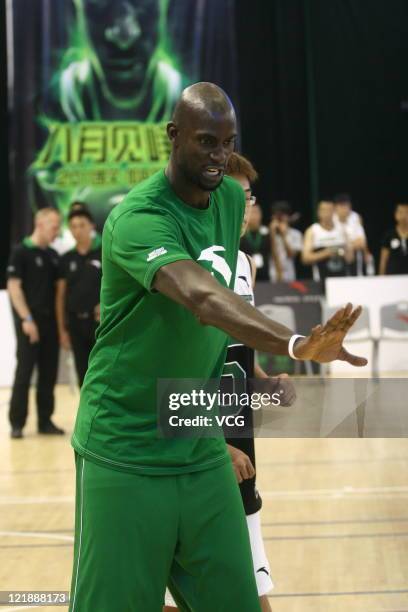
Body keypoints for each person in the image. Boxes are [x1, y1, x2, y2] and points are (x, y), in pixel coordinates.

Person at [68, 82, 367, 612]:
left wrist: (248, 389)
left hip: (199, 444)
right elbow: (202, 298)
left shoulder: (229, 200)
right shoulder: (137, 219)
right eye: (207, 142)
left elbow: (216, 320)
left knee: (238, 602)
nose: (219, 156)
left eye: (227, 143)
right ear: (173, 135)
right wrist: (296, 343)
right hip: (126, 444)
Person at [6, 208, 64, 439]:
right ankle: (17, 423)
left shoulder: (52, 256)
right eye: (54, 226)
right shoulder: (20, 252)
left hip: (50, 323)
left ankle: (45, 420)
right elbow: (14, 287)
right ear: (40, 224)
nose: (57, 231)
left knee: (48, 373)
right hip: (29, 323)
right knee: (24, 372)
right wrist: (26, 318)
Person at [56, 208, 102, 387]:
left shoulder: (103, 254)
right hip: (75, 324)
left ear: (92, 226)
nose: (78, 230)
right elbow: (60, 296)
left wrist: (103, 305)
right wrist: (62, 330)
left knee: (101, 371)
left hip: (98, 323)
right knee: (82, 373)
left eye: (82, 225)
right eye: (73, 226)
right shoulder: (66, 259)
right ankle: (87, 414)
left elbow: (116, 288)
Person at [302, 200, 354, 283]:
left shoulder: (342, 230)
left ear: (334, 212)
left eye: (330, 210)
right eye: (324, 210)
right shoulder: (312, 231)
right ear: (318, 212)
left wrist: (342, 251)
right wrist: (326, 253)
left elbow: (350, 258)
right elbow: (305, 258)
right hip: (321, 280)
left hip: (341, 279)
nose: (327, 213)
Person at [333, 193, 373, 276]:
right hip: (337, 254)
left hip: (354, 253)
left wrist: (365, 252)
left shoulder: (355, 217)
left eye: (347, 206)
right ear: (336, 207)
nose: (345, 209)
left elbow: (362, 241)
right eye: (341, 206)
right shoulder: (331, 219)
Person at [269, 201, 303, 281]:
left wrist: (283, 236)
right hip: (272, 275)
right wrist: (272, 235)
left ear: (288, 217)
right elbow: (270, 253)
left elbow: (291, 255)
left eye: (281, 217)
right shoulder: (268, 233)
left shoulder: (296, 234)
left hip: (290, 276)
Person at [240, 199, 271, 281]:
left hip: (265, 276)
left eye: (258, 213)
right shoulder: (241, 234)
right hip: (246, 275)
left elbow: (274, 254)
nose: (256, 216)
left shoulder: (267, 232)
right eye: (253, 212)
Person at [379, 202, 408, 275]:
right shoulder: (389, 235)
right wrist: (381, 276)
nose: (404, 216)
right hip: (393, 276)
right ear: (396, 215)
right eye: (401, 212)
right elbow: (383, 259)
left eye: (406, 212)